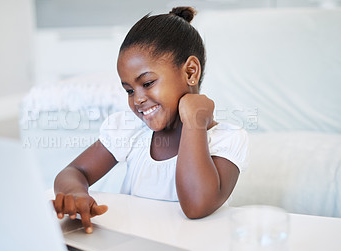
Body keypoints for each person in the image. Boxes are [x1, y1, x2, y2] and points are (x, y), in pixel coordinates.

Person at [53, 6, 249, 234]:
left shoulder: (227, 140)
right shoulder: (131, 131)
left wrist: (195, 122)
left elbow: (196, 205)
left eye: (147, 84)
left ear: (190, 72)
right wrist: (75, 193)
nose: (137, 99)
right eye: (129, 90)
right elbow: (74, 171)